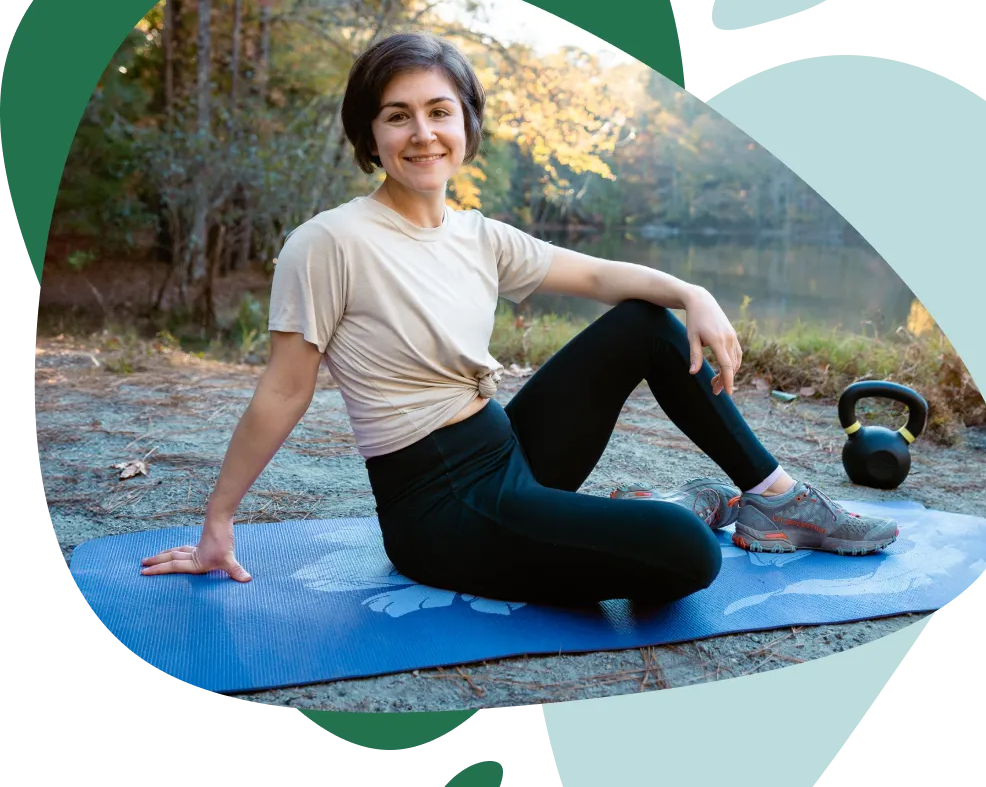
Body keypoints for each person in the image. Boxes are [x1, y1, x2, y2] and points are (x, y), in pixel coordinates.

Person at [141, 32, 898, 605]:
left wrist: (694, 292)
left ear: (466, 125)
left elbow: (602, 274)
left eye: (439, 112)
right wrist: (219, 521)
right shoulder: (330, 242)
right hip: (438, 508)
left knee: (645, 320)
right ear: (369, 136)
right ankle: (670, 510)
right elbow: (284, 389)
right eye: (397, 116)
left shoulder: (476, 234)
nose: (422, 134)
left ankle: (775, 501)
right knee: (685, 556)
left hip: (505, 450)